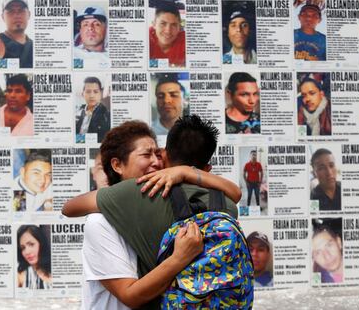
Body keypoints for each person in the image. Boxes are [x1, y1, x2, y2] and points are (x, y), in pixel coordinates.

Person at [63, 115, 242, 309]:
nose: (156, 162)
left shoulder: (164, 204)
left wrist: (184, 171)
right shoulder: (100, 222)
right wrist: (179, 258)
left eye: (158, 155)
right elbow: (130, 295)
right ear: (117, 165)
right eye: (146, 155)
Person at [149, 0, 186, 67]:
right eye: (163, 24)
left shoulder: (186, 40)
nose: (168, 31)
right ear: (154, 25)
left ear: (179, 28)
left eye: (174, 25)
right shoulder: (146, 38)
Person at [0, 0, 33, 68]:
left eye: (21, 10)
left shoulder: (35, 46)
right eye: (11, 11)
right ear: (3, 17)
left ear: (29, 14)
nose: (17, 15)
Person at [76, 77, 110, 143]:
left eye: (95, 92)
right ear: (83, 94)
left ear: (100, 94)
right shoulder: (77, 112)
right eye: (88, 91)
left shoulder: (107, 115)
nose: (92, 95)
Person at [17, 225, 52, 289]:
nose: (27, 252)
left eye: (31, 244)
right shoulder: (21, 275)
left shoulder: (57, 268)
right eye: (22, 248)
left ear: (41, 244)